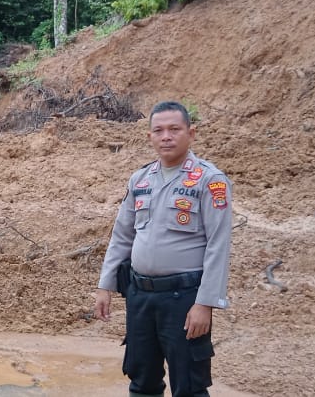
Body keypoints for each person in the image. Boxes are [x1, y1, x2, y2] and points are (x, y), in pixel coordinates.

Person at [93, 101, 233, 397]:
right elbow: (122, 235)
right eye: (158, 130)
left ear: (191, 133)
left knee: (189, 386)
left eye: (174, 129)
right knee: (142, 381)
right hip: (140, 296)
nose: (166, 136)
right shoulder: (140, 179)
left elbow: (218, 246)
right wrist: (105, 285)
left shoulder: (209, 180)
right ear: (149, 137)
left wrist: (205, 303)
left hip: (183, 300)